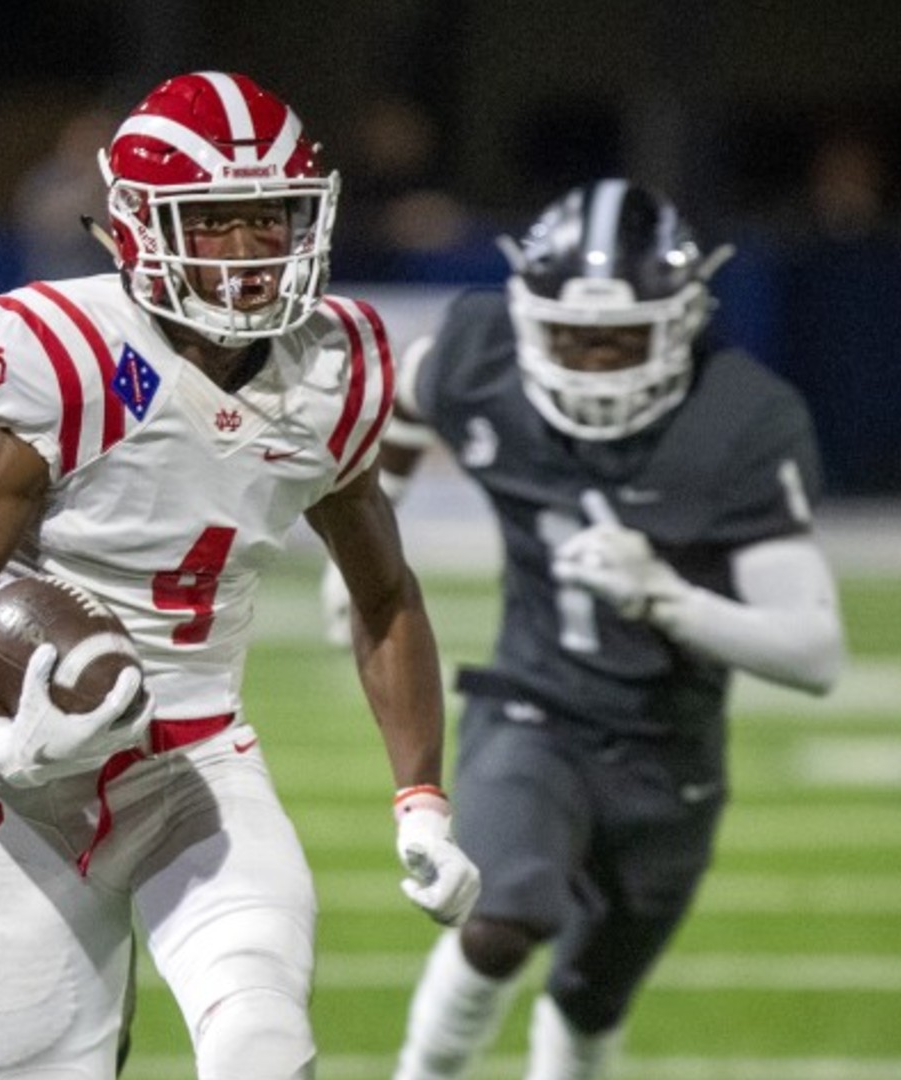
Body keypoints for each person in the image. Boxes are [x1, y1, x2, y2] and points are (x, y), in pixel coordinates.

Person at [0, 71, 482, 1080]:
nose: (251, 254)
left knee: (264, 1043)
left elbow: (385, 597)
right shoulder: (67, 354)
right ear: (134, 230)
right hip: (33, 787)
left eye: (271, 219)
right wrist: (0, 737)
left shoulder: (334, 369)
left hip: (199, 768)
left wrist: (421, 796)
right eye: (215, 223)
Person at [320, 179, 846, 1079]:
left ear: (679, 323)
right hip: (535, 703)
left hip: (668, 744)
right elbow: (404, 400)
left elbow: (813, 651)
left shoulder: (739, 418)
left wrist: (665, 600)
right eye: (571, 336)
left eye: (620, 339)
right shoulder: (481, 353)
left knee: (592, 1000)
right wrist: (362, 552)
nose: (594, 363)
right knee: (497, 923)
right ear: (530, 319)